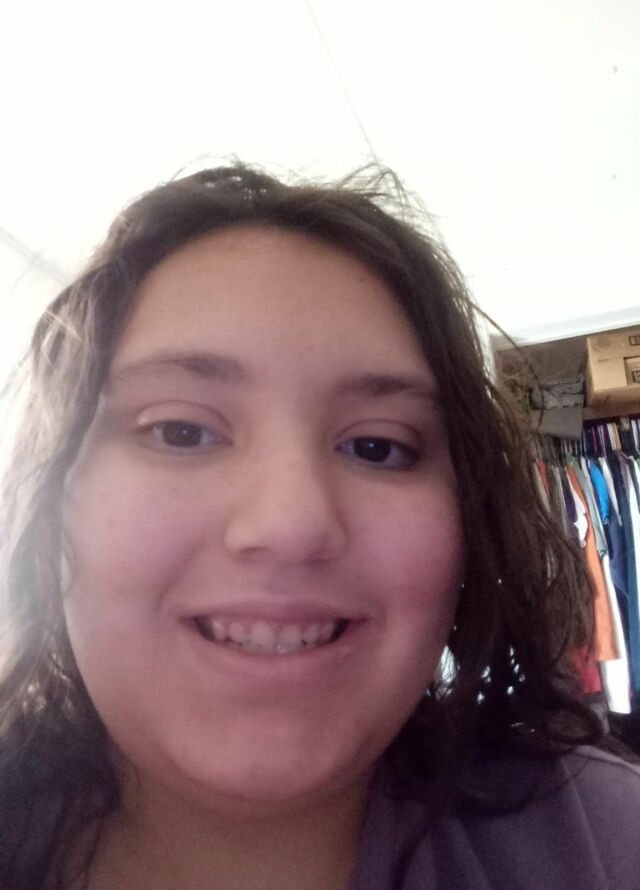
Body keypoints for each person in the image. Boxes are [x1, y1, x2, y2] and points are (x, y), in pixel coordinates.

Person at [1, 163, 639, 890]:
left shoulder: (607, 840)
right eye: (181, 432)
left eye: (377, 447)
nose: (290, 525)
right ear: (53, 496)